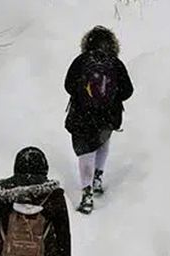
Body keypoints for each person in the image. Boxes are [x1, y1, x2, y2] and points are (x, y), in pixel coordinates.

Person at [64, 25, 134, 214]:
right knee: (102, 142)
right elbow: (128, 91)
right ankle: (98, 178)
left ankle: (87, 193)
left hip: (82, 117)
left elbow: (68, 85)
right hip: (107, 117)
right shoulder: (115, 63)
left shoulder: (81, 61)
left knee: (85, 153)